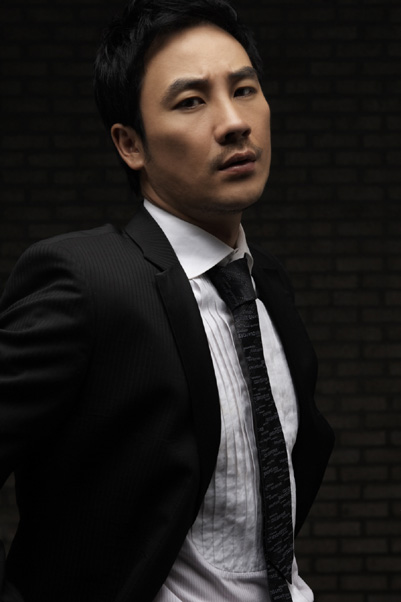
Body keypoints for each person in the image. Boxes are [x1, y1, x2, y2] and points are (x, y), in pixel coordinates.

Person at [0, 0, 334, 601]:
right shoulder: (86, 281)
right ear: (131, 144)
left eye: (245, 90)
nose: (234, 122)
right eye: (191, 101)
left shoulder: (266, 284)